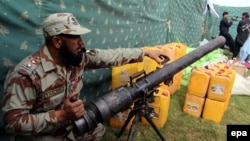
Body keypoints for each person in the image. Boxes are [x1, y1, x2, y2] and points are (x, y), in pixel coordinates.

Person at [1, 13, 169, 141]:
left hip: (73, 126)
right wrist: (61, 115)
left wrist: (145, 52)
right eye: (75, 38)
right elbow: (12, 123)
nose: (82, 43)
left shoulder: (77, 58)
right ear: (57, 42)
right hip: (43, 135)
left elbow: (111, 56)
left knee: (97, 131)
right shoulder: (26, 75)